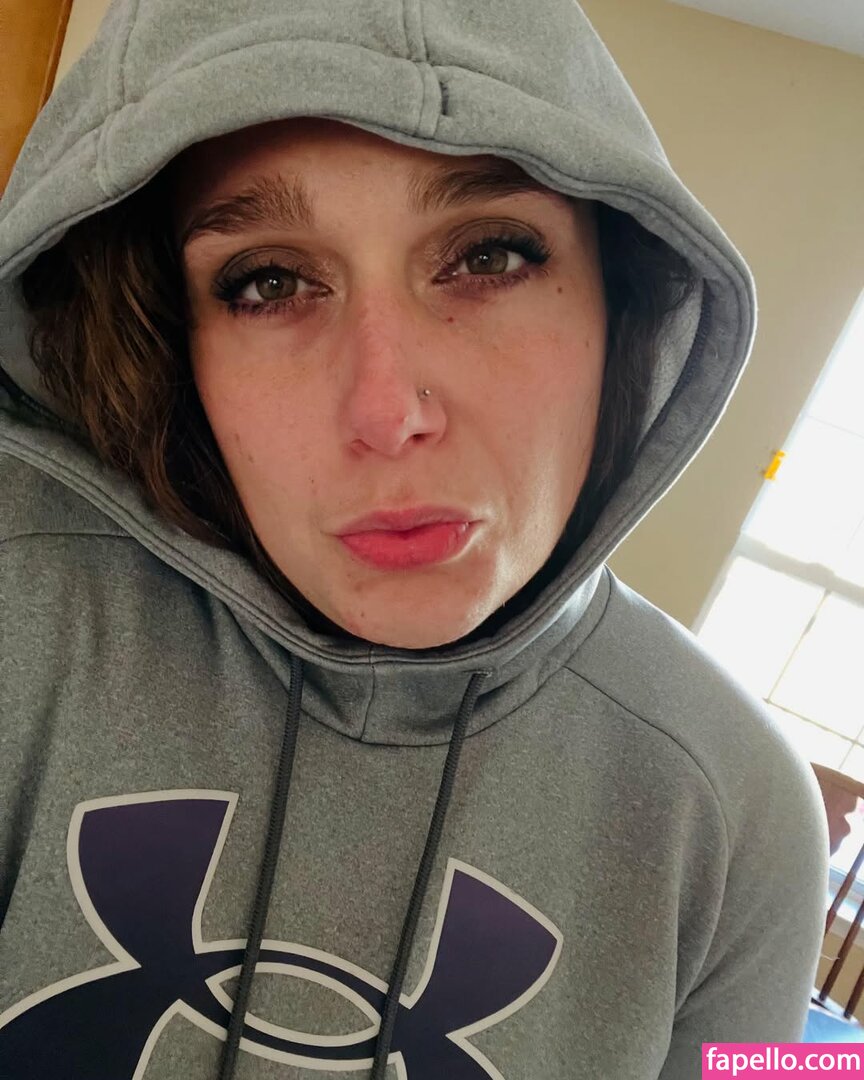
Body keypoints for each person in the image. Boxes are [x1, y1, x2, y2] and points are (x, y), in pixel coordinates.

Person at [0, 1, 828, 1077]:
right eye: (269, 282)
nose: (388, 413)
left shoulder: (741, 807)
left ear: (623, 299)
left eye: (489, 255)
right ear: (161, 340)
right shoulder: (23, 603)